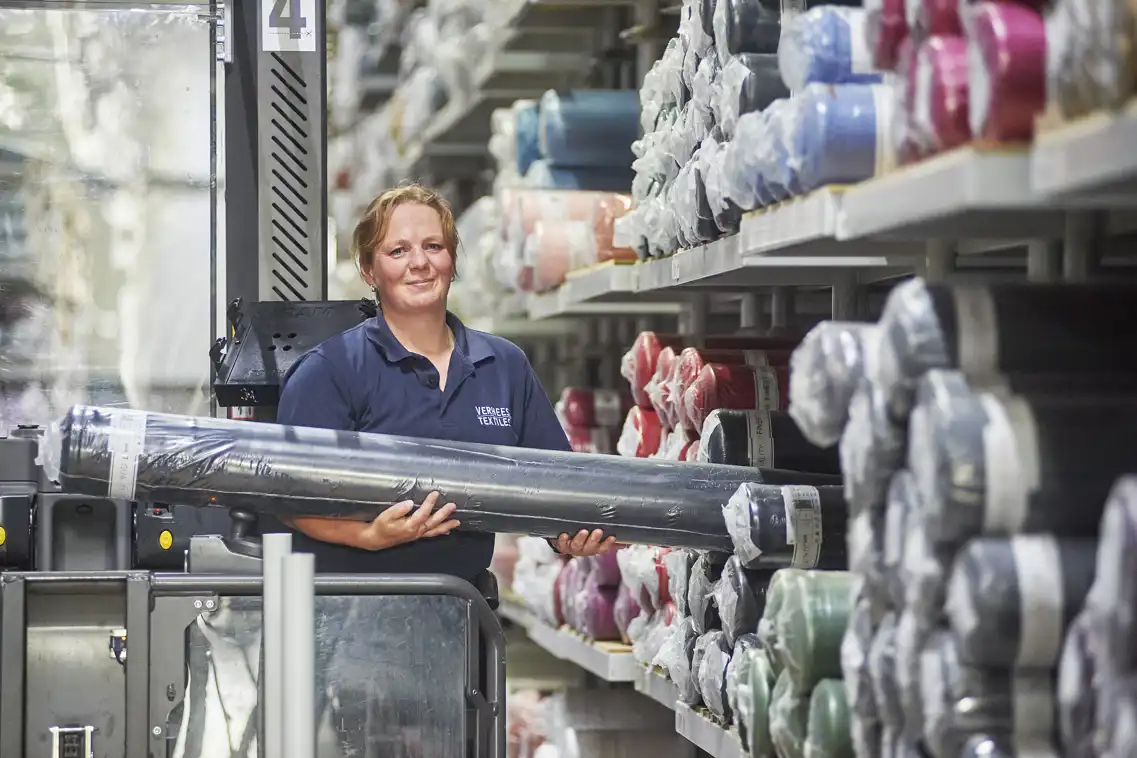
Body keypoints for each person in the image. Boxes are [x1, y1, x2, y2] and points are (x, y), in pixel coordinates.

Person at [275, 183, 616, 581]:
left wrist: (566, 537)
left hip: (462, 608)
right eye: (398, 250)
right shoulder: (332, 370)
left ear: (452, 261)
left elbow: (555, 483)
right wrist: (369, 535)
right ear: (370, 270)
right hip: (356, 611)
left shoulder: (503, 365)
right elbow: (289, 498)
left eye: (434, 246)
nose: (419, 262)